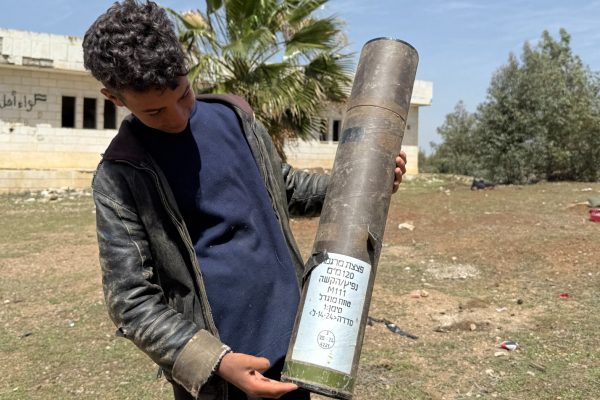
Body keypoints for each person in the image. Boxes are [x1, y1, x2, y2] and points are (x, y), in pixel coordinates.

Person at [83, 1, 407, 399]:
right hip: (221, 375)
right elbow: (130, 301)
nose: (178, 117)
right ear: (114, 98)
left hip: (295, 345)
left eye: (184, 95)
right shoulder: (121, 174)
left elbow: (286, 188)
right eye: (155, 112)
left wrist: (367, 181)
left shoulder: (235, 117)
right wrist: (215, 362)